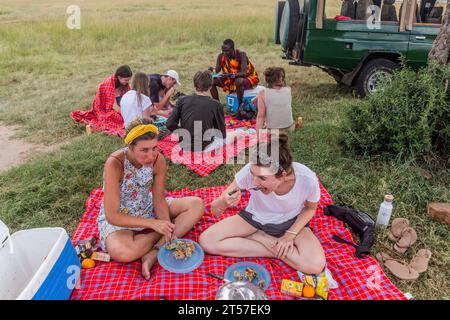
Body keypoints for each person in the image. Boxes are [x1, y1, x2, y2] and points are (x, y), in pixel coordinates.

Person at [199, 134, 326, 275]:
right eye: (253, 174)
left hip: (291, 222)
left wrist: (289, 235)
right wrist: (223, 201)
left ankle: (261, 239)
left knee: (315, 266)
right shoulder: (250, 171)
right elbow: (214, 210)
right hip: (254, 220)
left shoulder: (307, 179)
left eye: (262, 178)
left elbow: (310, 208)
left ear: (282, 176)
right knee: (207, 241)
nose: (253, 182)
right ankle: (275, 247)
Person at [97, 117, 204, 279]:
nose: (151, 155)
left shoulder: (158, 159)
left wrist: (163, 222)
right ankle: (165, 234)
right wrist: (155, 225)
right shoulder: (115, 164)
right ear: (130, 147)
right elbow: (112, 215)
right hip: (122, 216)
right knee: (123, 252)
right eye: (144, 150)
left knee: (196, 204)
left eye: (154, 148)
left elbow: (159, 199)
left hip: (147, 207)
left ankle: (155, 250)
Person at [166, 70, 234, 152]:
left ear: (195, 84)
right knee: (235, 134)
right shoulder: (216, 104)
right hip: (204, 147)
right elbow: (221, 134)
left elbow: (169, 124)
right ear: (210, 86)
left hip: (184, 145)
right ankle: (245, 133)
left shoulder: (182, 100)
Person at [70, 65, 132, 131]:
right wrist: (126, 114)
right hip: (106, 109)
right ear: (119, 77)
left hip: (120, 107)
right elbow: (113, 105)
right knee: (116, 118)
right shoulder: (109, 84)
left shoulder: (124, 84)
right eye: (126, 80)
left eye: (129, 80)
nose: (128, 82)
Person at [210, 39, 259, 108]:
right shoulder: (221, 56)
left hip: (247, 77)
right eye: (223, 50)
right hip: (230, 78)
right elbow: (217, 70)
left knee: (238, 81)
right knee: (211, 81)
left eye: (227, 51)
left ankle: (240, 106)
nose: (224, 53)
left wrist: (231, 75)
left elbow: (243, 73)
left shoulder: (242, 55)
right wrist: (211, 70)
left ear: (233, 49)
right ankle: (217, 105)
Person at [255, 67, 294, 134]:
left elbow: (260, 117)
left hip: (272, 131)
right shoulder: (288, 90)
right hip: (290, 128)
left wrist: (258, 135)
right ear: (282, 79)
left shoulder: (262, 94)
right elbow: (275, 97)